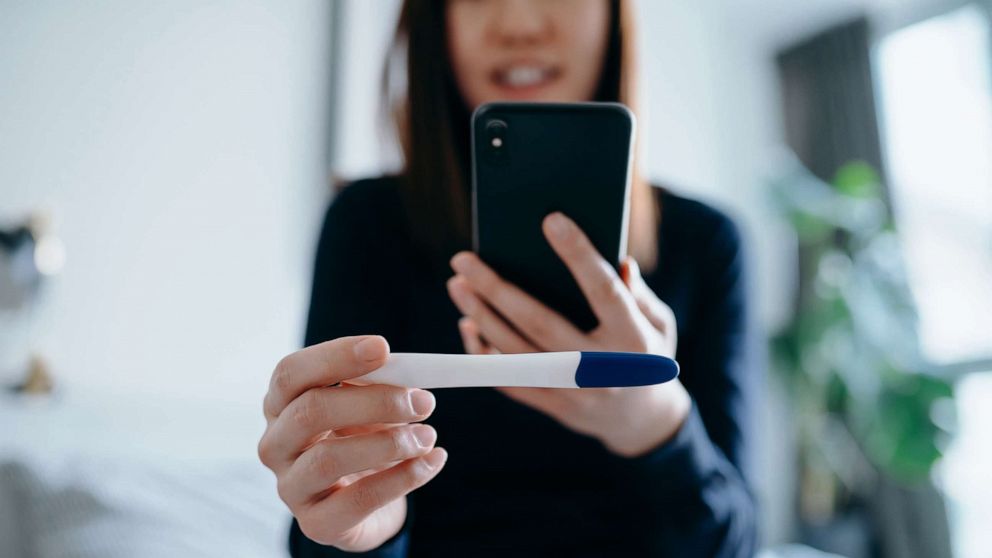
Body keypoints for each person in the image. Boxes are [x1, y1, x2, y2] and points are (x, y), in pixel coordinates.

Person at [257, 0, 759, 555]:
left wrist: (658, 428)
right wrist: (362, 529)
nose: (520, 24)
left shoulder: (707, 243)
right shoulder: (367, 225)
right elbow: (321, 531)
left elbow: (733, 544)